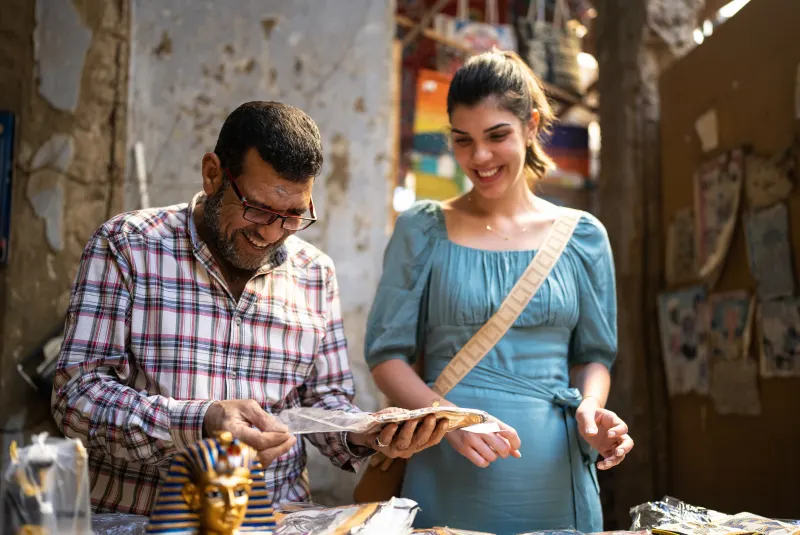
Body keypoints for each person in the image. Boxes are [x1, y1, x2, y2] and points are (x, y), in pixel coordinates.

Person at [51, 101, 448, 516]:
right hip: (146, 521)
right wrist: (201, 422)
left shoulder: (315, 274)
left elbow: (322, 403)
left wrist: (366, 432)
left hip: (270, 520)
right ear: (213, 174)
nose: (272, 233)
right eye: (258, 209)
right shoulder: (127, 246)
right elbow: (76, 396)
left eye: (293, 215)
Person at [364, 51, 634, 535]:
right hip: (445, 471)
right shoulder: (422, 229)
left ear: (530, 125)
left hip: (556, 474)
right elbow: (387, 357)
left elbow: (593, 356)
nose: (480, 158)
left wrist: (592, 411)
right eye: (463, 141)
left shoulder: (583, 236)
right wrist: (451, 422)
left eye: (497, 136)